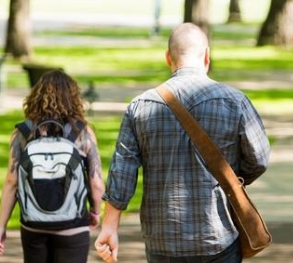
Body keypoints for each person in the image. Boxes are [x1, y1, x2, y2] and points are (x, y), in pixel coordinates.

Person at [94, 23, 271, 263]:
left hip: (161, 239)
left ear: (169, 58)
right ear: (207, 56)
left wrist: (109, 227)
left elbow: (121, 174)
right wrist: (230, 179)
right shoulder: (234, 101)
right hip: (217, 234)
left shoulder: (140, 106)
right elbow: (259, 160)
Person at [0, 70, 105, 262]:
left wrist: (1, 226)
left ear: (36, 97)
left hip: (33, 224)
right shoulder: (83, 133)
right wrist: (95, 212)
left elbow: (11, 182)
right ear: (73, 98)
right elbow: (96, 184)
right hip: (72, 223)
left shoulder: (22, 134)